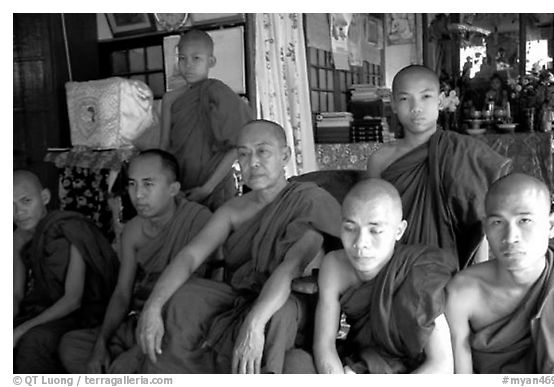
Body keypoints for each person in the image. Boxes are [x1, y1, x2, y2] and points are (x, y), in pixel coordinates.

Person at [137, 119, 342, 373]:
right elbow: (190, 256)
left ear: (285, 155)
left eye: (262, 151)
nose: (252, 162)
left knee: (279, 313)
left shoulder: (307, 201)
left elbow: (291, 267)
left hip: (290, 299)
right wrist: (153, 306)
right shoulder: (233, 210)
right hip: (243, 295)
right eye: (243, 154)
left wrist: (253, 325)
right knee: (183, 297)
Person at [58, 149, 213, 373]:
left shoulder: (198, 220)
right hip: (139, 321)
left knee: (141, 363)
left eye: (148, 184)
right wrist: (101, 343)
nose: (137, 194)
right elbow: (122, 293)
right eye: (132, 183)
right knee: (73, 345)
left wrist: (138, 353)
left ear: (173, 189)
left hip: (179, 325)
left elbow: (197, 297)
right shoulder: (132, 231)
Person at [284, 178, 456, 374]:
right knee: (294, 363)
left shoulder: (420, 273)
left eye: (375, 231)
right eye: (350, 228)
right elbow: (324, 346)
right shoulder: (335, 266)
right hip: (362, 360)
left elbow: (442, 365)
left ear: (399, 231)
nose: (360, 243)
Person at [366, 64, 512, 268]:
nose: (416, 107)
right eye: (405, 98)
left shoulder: (462, 153)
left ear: (440, 100)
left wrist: (477, 276)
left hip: (452, 269)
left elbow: (478, 225)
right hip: (395, 267)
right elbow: (371, 220)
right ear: (393, 104)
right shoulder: (380, 160)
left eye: (425, 97)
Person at [446, 173, 554, 374]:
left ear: (551, 225)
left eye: (524, 220)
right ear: (485, 229)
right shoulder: (461, 292)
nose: (510, 237)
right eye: (497, 222)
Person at [13, 170, 118, 373]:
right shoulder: (17, 239)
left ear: (44, 197)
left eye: (26, 201)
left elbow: (73, 300)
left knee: (33, 340)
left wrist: (20, 330)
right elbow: (15, 295)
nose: (19, 212)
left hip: (80, 315)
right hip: (41, 310)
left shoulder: (69, 229)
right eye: (10, 206)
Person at [159, 29, 254, 211]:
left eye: (196, 58)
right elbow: (163, 147)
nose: (188, 65)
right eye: (182, 58)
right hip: (179, 185)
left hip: (215, 185)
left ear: (211, 61)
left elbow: (237, 146)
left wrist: (207, 188)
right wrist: (167, 185)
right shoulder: (169, 100)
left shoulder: (217, 92)